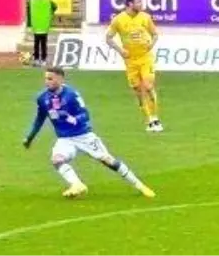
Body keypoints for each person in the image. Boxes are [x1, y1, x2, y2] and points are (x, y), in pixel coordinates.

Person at [22, 67, 155, 200]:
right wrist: (30, 137)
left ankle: (140, 185)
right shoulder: (42, 98)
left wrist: (72, 119)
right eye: (46, 78)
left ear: (60, 79)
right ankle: (77, 185)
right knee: (57, 160)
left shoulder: (72, 95)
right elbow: (39, 119)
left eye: (50, 78)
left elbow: (85, 115)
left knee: (108, 160)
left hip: (83, 136)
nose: (47, 82)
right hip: (64, 139)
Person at [105, 0, 163, 133]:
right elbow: (108, 38)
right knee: (137, 90)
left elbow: (155, 34)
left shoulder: (145, 17)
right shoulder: (118, 20)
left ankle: (156, 118)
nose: (141, 5)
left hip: (145, 57)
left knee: (148, 86)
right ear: (130, 4)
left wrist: (151, 44)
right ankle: (149, 120)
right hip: (130, 60)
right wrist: (120, 50)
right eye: (138, 2)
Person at [27, 0, 57, 67]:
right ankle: (36, 59)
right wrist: (29, 24)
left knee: (44, 44)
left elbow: (55, 7)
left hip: (44, 25)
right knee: (36, 44)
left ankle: (44, 59)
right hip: (36, 26)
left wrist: (49, 15)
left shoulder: (48, 0)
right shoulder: (31, 0)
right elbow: (29, 12)